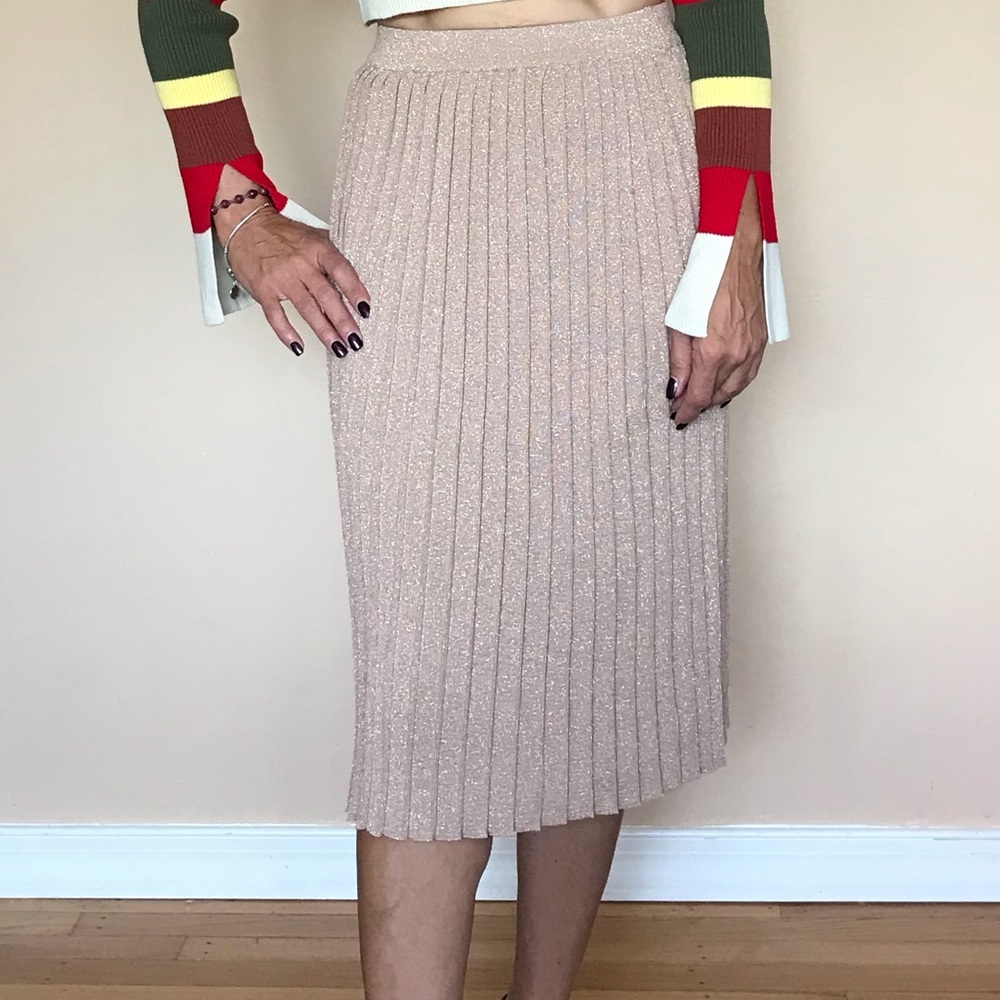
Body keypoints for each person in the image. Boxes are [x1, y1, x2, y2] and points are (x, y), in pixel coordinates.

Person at [137, 0, 790, 998]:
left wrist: (737, 233)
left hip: (642, 142)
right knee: (430, 687)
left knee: (597, 638)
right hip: (425, 144)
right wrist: (236, 206)